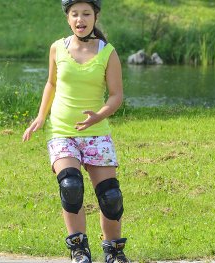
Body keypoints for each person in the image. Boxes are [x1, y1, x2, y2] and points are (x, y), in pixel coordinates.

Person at [21, 0, 129, 262]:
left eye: (86, 14)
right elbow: (51, 83)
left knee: (110, 197)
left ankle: (114, 251)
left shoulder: (108, 52)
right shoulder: (57, 48)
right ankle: (79, 249)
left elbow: (116, 96)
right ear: (68, 18)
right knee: (70, 186)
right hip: (61, 131)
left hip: (97, 132)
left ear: (95, 17)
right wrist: (40, 115)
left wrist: (99, 116)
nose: (80, 19)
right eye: (75, 14)